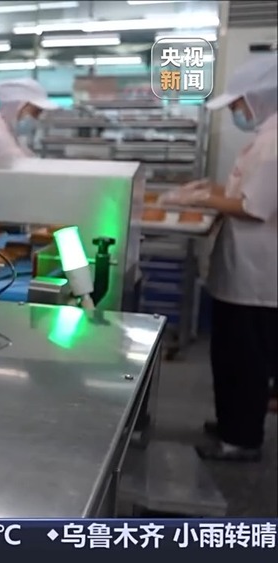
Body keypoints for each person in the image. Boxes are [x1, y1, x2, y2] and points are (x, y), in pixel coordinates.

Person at [160, 53, 278, 462]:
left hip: (257, 276)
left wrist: (203, 199)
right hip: (245, 271)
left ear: (259, 98)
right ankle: (231, 423)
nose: (234, 112)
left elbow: (253, 207)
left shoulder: (273, 142)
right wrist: (210, 190)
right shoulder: (266, 137)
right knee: (231, 355)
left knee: (245, 361)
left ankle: (241, 439)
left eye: (236, 104)